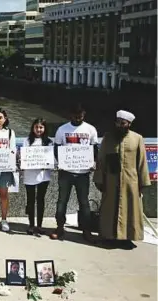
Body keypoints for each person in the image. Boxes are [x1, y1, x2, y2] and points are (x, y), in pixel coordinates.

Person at [94, 110, 151, 250]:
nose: (119, 125)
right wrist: (99, 179)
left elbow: (142, 162)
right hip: (111, 181)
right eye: (117, 122)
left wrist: (143, 183)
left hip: (130, 182)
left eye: (123, 123)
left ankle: (127, 238)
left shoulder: (137, 138)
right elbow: (101, 160)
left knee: (130, 210)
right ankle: (109, 237)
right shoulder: (108, 138)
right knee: (109, 210)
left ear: (129, 124)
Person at [50, 103, 98, 242]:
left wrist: (93, 162)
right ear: (70, 115)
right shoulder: (62, 130)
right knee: (61, 201)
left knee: (84, 202)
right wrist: (62, 162)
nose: (78, 118)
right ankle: (60, 227)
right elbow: (56, 149)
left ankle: (86, 230)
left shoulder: (91, 129)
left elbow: (94, 148)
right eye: (76, 116)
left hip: (83, 173)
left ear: (84, 114)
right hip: (66, 172)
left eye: (81, 116)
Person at [22, 118, 53, 235]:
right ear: (32, 128)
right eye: (36, 127)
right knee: (30, 201)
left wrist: (48, 164)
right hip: (30, 175)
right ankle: (31, 225)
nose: (38, 129)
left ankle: (39, 225)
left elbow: (51, 159)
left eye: (41, 127)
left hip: (43, 175)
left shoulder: (49, 142)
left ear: (44, 128)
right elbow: (24, 157)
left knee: (41, 200)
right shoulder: (27, 141)